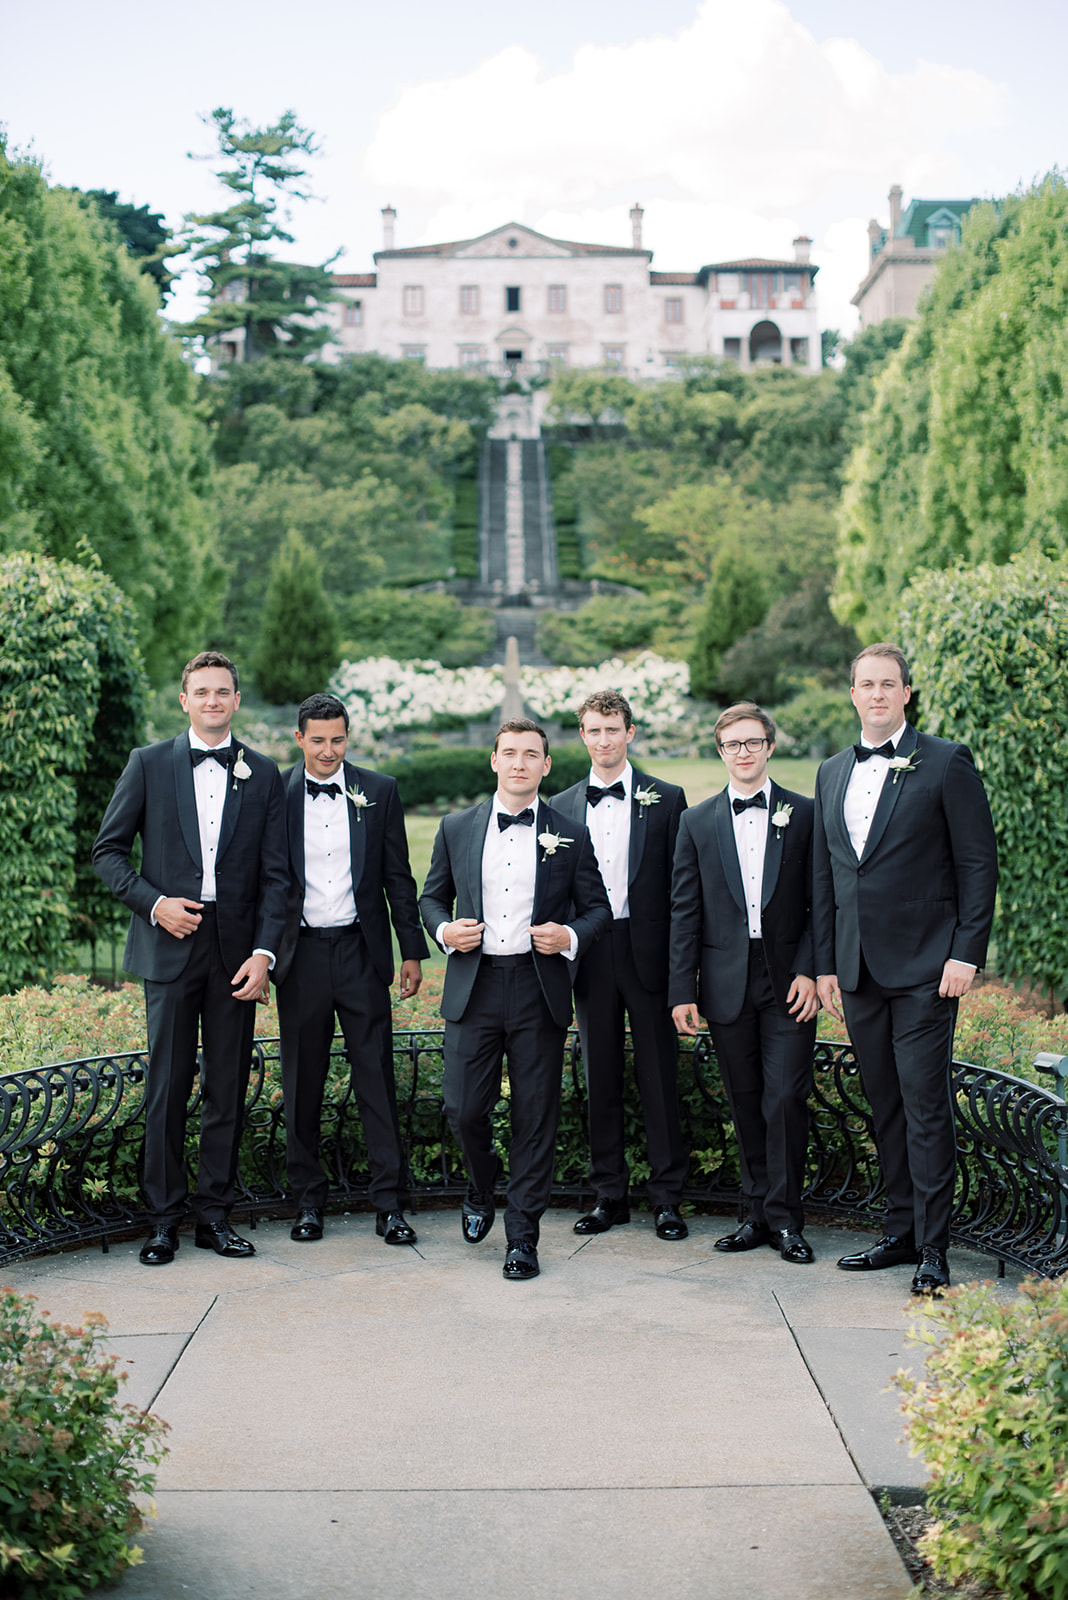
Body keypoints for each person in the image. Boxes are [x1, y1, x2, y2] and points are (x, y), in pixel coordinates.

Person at [92, 651, 288, 1266]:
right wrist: (155, 906)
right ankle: (162, 1221)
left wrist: (265, 954)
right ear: (184, 700)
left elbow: (279, 878)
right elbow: (109, 853)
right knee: (167, 1087)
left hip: (236, 954)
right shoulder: (147, 765)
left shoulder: (264, 771)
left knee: (227, 1089)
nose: (211, 701)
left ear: (236, 700)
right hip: (169, 943)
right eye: (200, 692)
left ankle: (214, 1216)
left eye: (222, 692)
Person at [813, 644, 998, 1294]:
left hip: (927, 967)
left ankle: (934, 1251)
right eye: (866, 684)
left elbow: (977, 861)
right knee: (883, 1104)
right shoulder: (832, 771)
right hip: (858, 970)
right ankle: (898, 1233)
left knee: (924, 1106)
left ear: (906, 693)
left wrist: (966, 950)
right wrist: (826, 965)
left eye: (888, 685)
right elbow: (827, 876)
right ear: (854, 694)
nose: (877, 694)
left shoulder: (946, 762)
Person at [419, 719, 612, 1281]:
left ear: (548, 766)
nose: (521, 763)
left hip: (537, 987)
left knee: (535, 1117)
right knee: (463, 1109)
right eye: (511, 753)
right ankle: (481, 1188)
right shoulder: (456, 827)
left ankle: (522, 1238)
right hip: (474, 987)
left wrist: (570, 937)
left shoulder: (570, 832)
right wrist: (444, 932)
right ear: (495, 761)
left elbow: (596, 909)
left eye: (532, 754)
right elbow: (431, 897)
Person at [273, 693, 427, 1247]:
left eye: (337, 739)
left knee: (376, 1081)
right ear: (300, 740)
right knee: (303, 1082)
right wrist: (263, 954)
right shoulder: (278, 792)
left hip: (362, 955)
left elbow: (397, 876)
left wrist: (411, 950)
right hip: (302, 956)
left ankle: (390, 1206)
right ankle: (307, 1203)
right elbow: (263, 882)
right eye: (317, 740)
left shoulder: (378, 791)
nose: (328, 750)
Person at [670, 703, 819, 1263]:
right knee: (745, 1100)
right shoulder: (696, 821)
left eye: (753, 742)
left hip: (789, 981)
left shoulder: (803, 813)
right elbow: (684, 910)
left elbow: (818, 903)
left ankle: (785, 1221)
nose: (744, 752)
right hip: (725, 981)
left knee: (785, 1098)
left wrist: (809, 967)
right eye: (733, 744)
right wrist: (682, 989)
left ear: (770, 746)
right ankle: (756, 1214)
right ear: (720, 751)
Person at [552, 691, 690, 1242]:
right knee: (599, 1074)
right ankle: (608, 1194)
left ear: (630, 733)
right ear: (582, 736)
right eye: (593, 731)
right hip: (588, 950)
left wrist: (683, 972)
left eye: (613, 730)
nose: (604, 740)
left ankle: (668, 1199)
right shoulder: (559, 805)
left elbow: (684, 892)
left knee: (660, 1076)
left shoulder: (669, 798)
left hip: (649, 951)